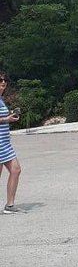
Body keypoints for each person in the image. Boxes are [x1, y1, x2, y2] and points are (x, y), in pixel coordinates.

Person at [0, 72, 23, 214]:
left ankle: (10, 205)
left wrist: (10, 117)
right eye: (0, 80)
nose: (3, 82)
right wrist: (5, 119)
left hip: (4, 143)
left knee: (16, 170)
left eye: (5, 80)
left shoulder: (1, 99)